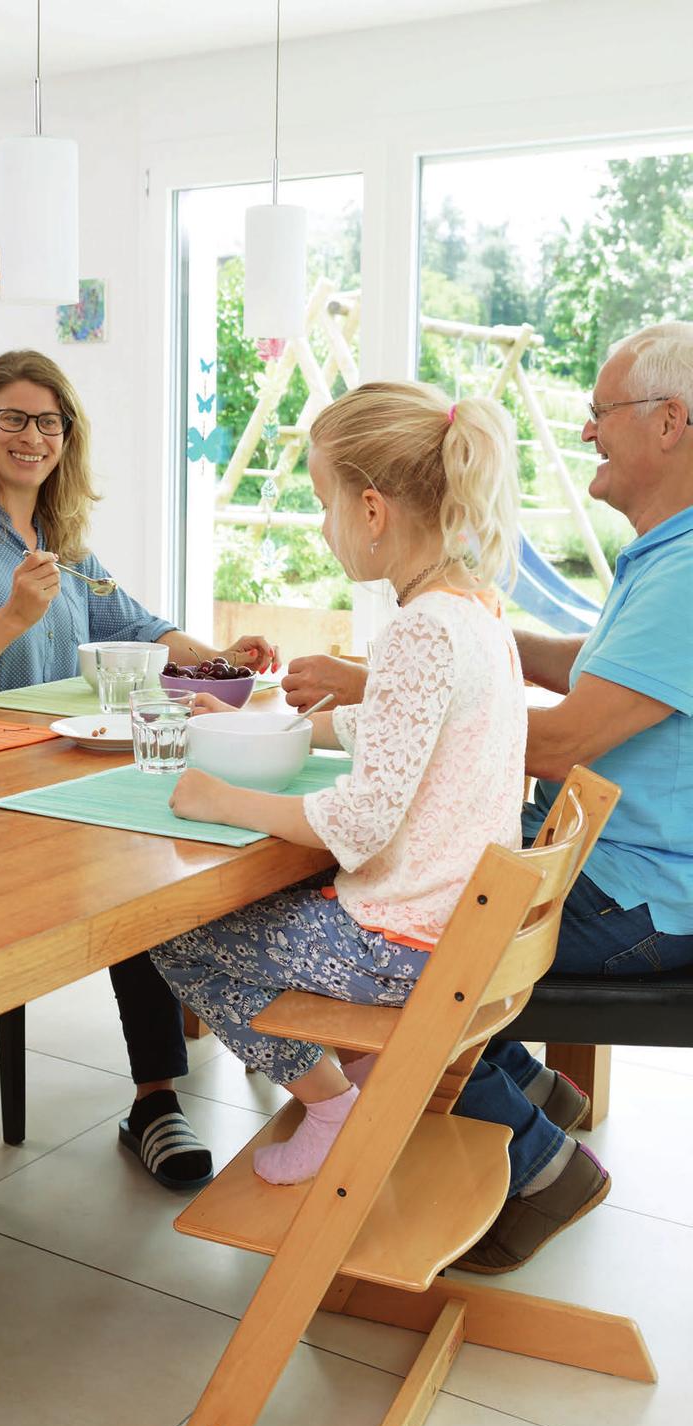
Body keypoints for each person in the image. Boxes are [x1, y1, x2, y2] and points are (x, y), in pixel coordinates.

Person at [281, 321, 693, 1270]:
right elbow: (571, 670)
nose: (588, 432)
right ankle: (527, 1099)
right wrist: (412, 669)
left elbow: (558, 735)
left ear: (670, 423)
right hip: (617, 857)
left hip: (642, 892)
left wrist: (398, 687)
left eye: (602, 413)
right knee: (411, 896)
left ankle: (539, 1157)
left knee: (382, 944)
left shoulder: (684, 574)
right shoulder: (661, 556)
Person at [0, 349, 279, 1191]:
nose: (32, 437)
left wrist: (224, 660)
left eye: (49, 422)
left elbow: (140, 625)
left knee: (176, 845)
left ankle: (184, 1080)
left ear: (67, 437)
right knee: (134, 873)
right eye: (14, 418)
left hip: (59, 767)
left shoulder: (63, 540)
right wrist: (12, 615)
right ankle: (160, 1099)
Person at [147, 379, 528, 1187]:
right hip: (458, 927)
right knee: (248, 912)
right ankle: (347, 1082)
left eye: (325, 505)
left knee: (181, 941)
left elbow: (360, 822)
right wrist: (296, 727)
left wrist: (219, 797)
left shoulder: (418, 629)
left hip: (406, 944)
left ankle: (330, 1107)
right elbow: (411, 729)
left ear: (372, 510)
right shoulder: (476, 609)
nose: (324, 528)